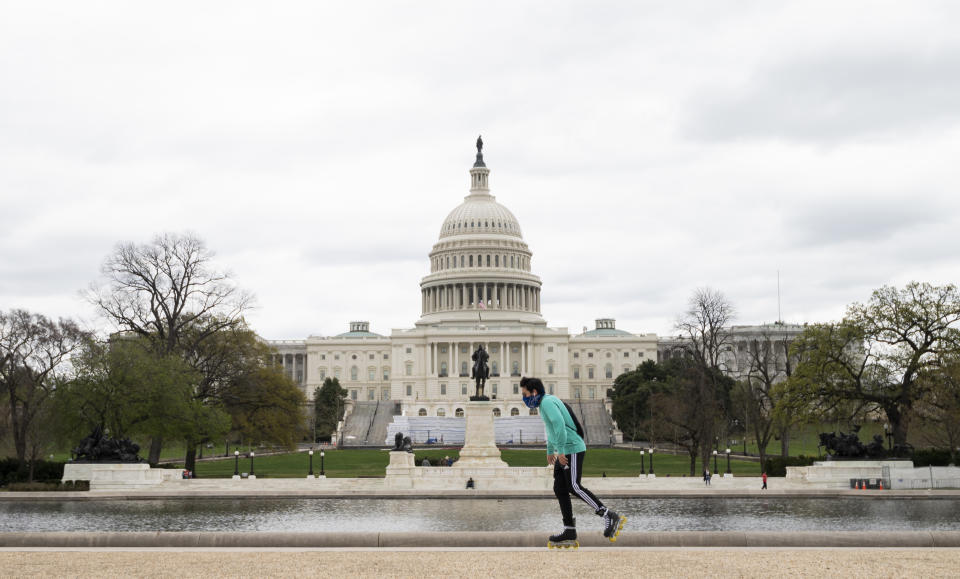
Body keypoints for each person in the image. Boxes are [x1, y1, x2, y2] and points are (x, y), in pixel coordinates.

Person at [520, 376, 625, 547]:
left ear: (534, 392)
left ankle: (608, 514)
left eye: (524, 394)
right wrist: (550, 450)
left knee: (574, 486)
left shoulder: (546, 403)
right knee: (560, 488)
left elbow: (559, 425)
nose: (524, 399)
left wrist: (560, 450)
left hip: (572, 449)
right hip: (565, 449)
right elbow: (551, 428)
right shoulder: (545, 403)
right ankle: (569, 529)